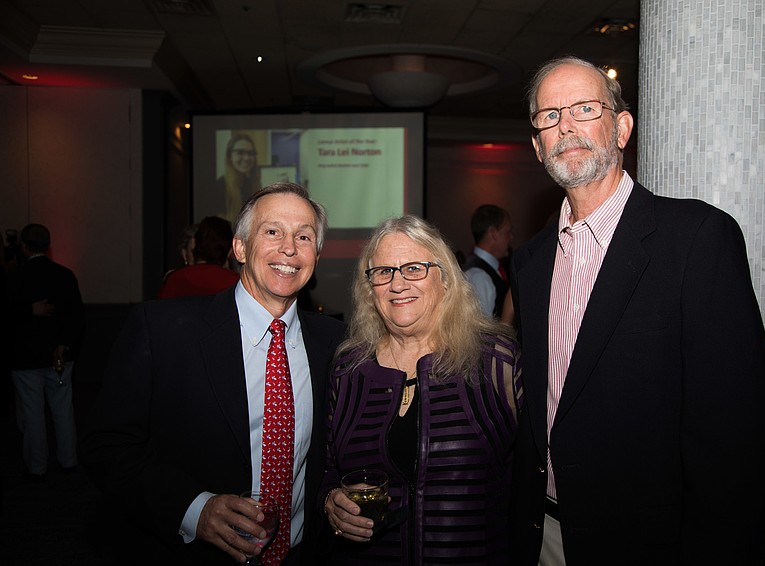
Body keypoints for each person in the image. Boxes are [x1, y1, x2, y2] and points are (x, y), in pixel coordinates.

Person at [508, 56, 765, 565]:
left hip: (653, 543)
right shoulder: (532, 261)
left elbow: (734, 436)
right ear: (538, 144)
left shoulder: (697, 239)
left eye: (585, 108)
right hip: (545, 536)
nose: (566, 125)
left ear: (622, 126)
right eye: (549, 116)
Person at [82, 182, 345, 565]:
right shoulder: (162, 331)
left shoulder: (334, 341)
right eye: (272, 231)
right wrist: (194, 509)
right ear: (239, 247)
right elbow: (106, 447)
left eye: (303, 236)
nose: (289, 248)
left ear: (315, 257)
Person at [320, 215, 523, 565]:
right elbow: (327, 468)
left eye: (414, 268)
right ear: (370, 290)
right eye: (383, 272)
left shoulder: (495, 361)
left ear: (444, 279)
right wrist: (330, 502)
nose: (397, 284)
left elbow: (531, 478)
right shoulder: (348, 369)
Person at [5, 223, 85, 481]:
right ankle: (68, 461)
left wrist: (29, 311)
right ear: (48, 246)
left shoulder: (15, 277)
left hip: (26, 357)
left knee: (32, 413)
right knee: (63, 409)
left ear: (24, 246)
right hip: (59, 354)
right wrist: (63, 345)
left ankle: (36, 467)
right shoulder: (65, 275)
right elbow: (76, 317)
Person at [157, 216, 239, 299]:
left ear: (195, 244)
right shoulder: (237, 284)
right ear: (230, 251)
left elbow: (159, 310)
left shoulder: (176, 279)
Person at [464, 204, 513, 318]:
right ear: (494, 233)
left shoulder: (490, 270)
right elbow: (481, 333)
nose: (511, 237)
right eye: (508, 231)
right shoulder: (479, 276)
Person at [218, 132, 262, 222]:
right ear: (230, 156)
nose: (246, 158)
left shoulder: (252, 184)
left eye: (250, 153)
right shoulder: (220, 186)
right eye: (240, 152)